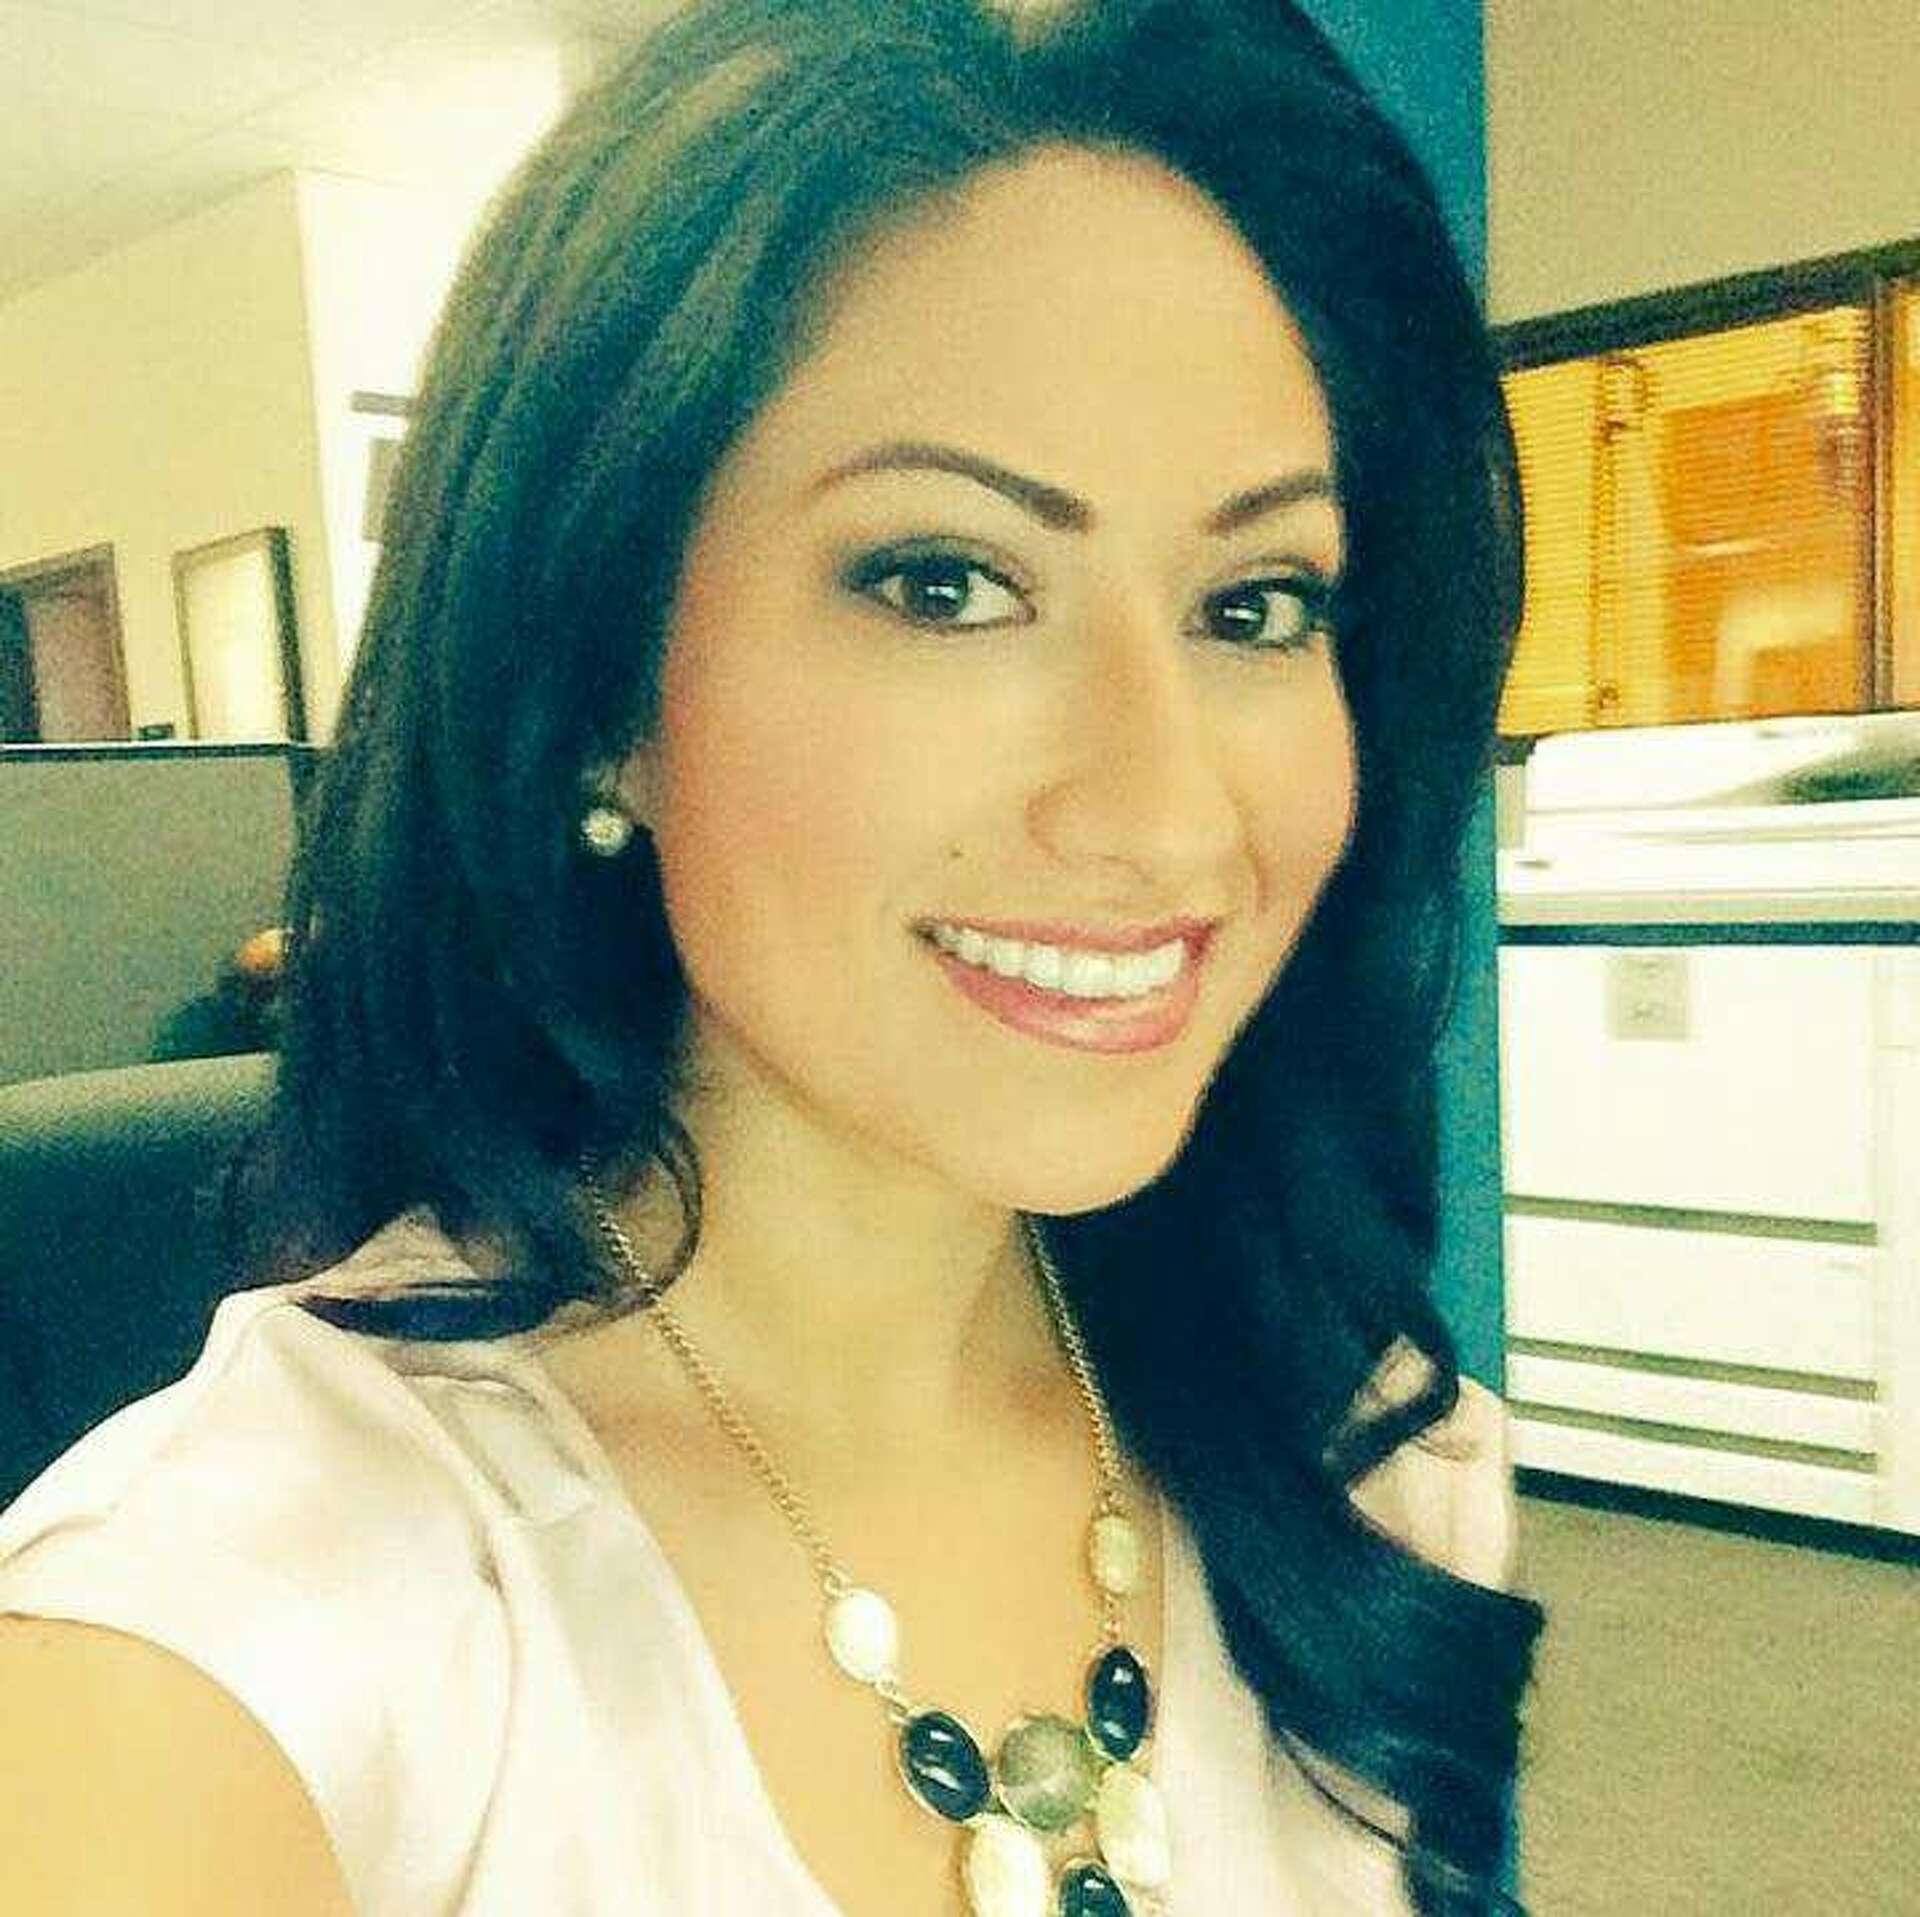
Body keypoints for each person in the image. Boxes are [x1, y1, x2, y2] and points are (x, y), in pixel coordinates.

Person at [0, 1, 1546, 1912]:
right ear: (598, 692)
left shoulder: (1358, 1456)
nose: (1164, 812)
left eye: (1255, 604)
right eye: (946, 583)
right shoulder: (219, 1663)